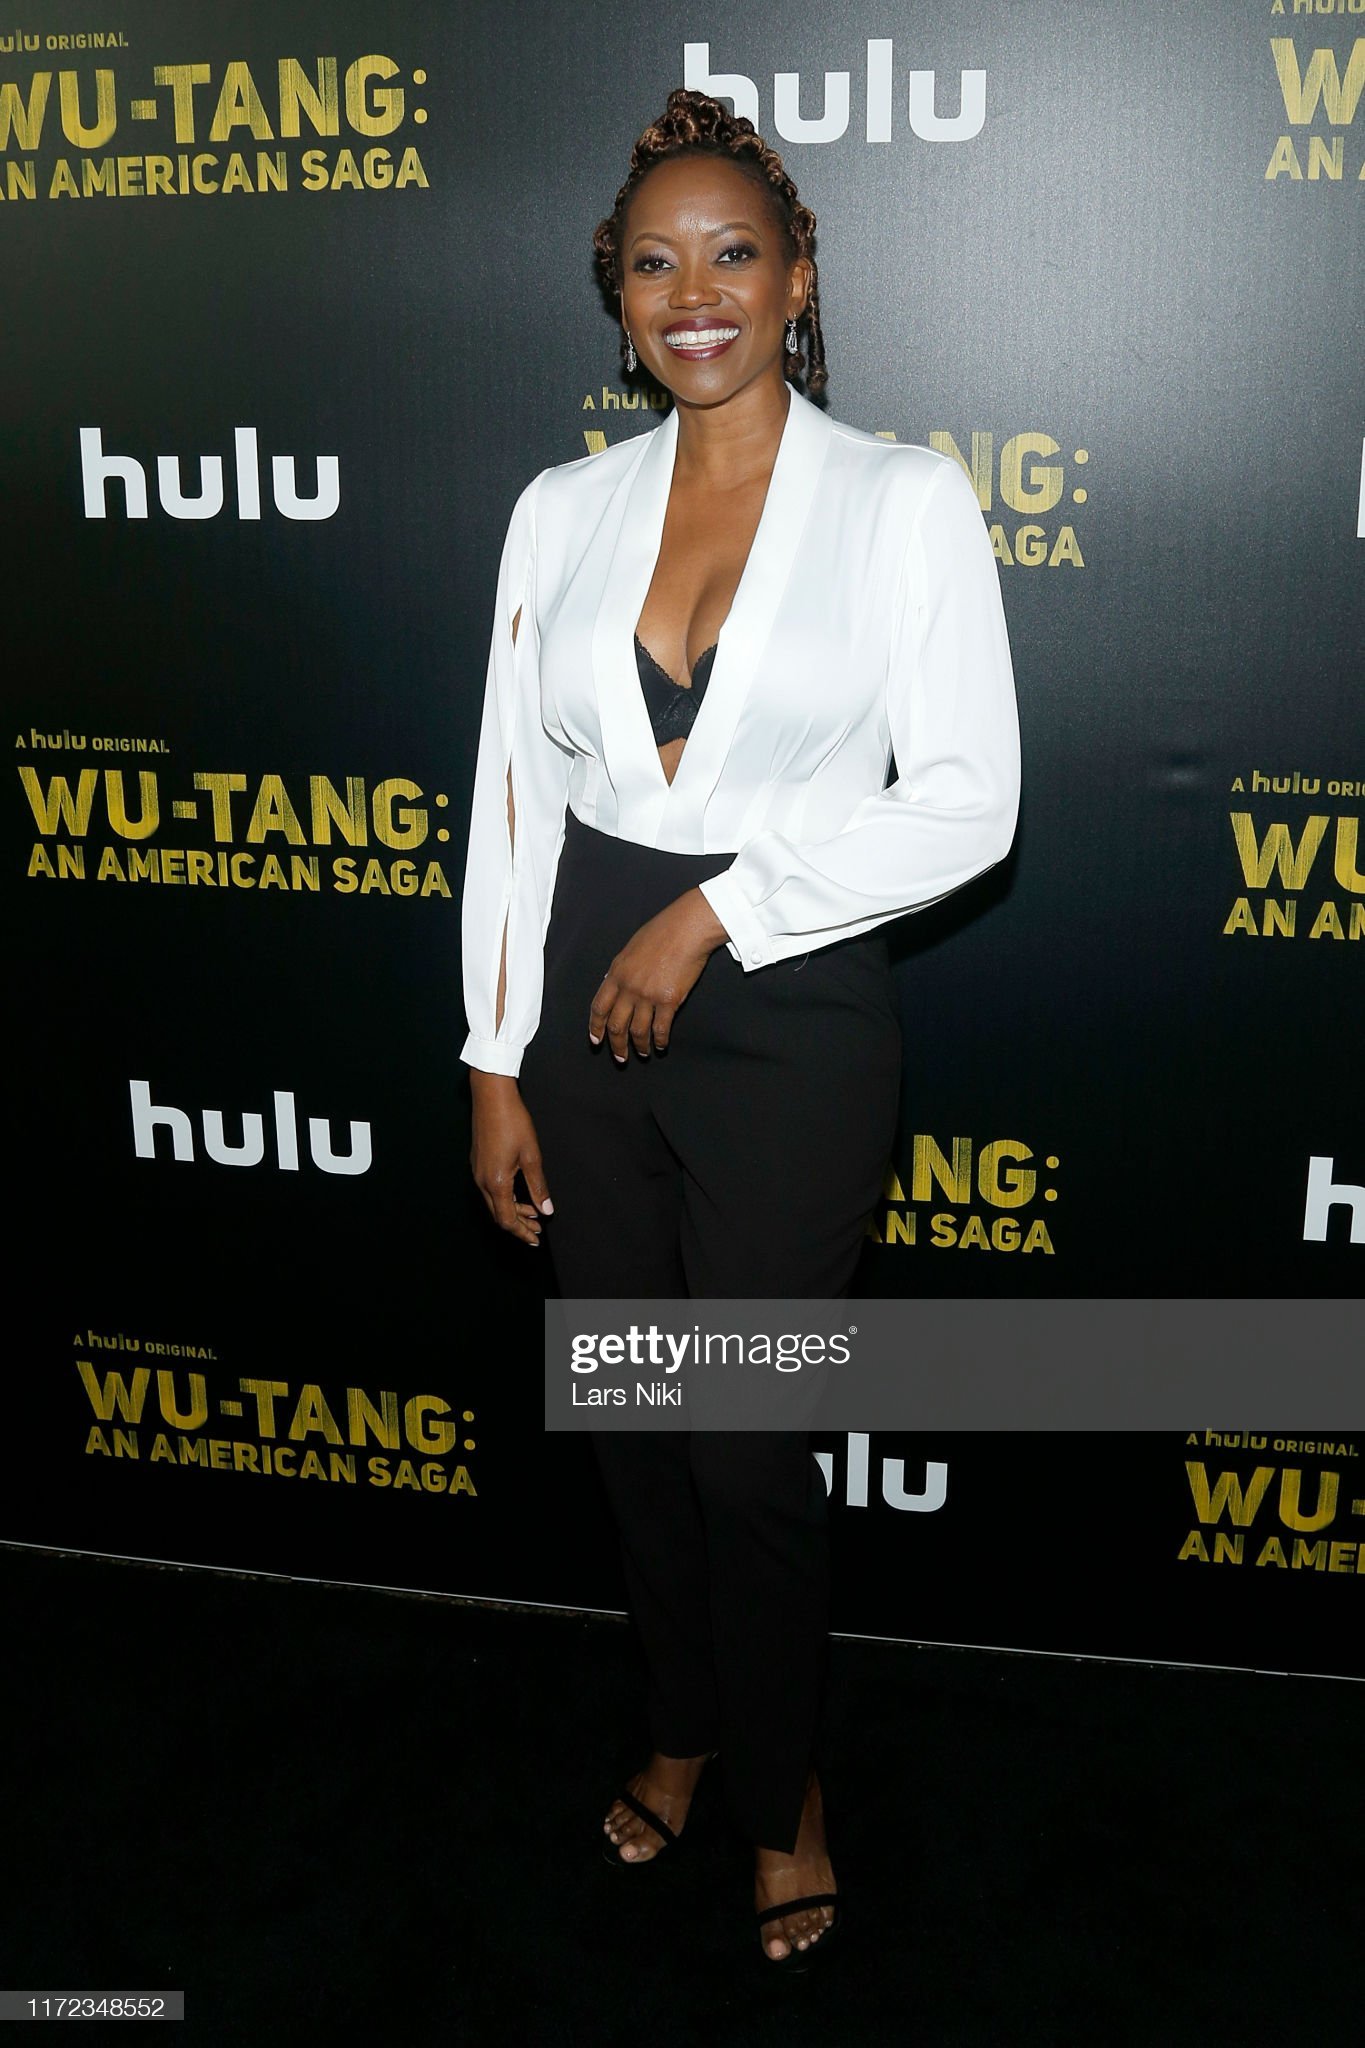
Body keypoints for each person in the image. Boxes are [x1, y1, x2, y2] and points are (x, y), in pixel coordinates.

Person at [461, 88, 1020, 1968]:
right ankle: (686, 1724)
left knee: (746, 1446)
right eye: (652, 262)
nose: (691, 292)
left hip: (788, 1002)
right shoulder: (561, 511)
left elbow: (968, 803)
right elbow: (513, 798)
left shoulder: (899, 501)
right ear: (615, 298)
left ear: (796, 279)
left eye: (730, 254)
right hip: (580, 1001)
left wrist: (718, 911)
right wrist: (492, 1057)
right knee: (637, 1428)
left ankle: (784, 1789)